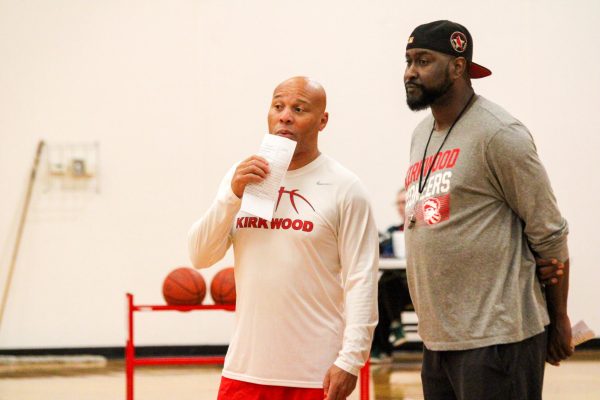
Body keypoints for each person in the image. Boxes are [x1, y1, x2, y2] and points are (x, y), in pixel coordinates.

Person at [402, 20, 572, 400]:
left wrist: (558, 321)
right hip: (439, 339)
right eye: (408, 60)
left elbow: (550, 232)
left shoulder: (499, 133)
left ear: (458, 66)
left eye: (424, 60)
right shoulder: (421, 134)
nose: (410, 72)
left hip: (496, 338)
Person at [188, 76, 379, 400]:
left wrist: (351, 360)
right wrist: (232, 196)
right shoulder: (242, 177)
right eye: (278, 106)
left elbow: (362, 278)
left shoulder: (345, 187)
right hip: (243, 370)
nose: (285, 116)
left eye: (298, 108)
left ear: (322, 121)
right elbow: (199, 255)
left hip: (314, 374)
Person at [371, 188, 412, 363]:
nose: (402, 207)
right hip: (396, 288)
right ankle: (395, 327)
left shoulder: (423, 229)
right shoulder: (391, 232)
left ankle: (381, 347)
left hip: (417, 285)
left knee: (385, 287)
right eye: (399, 203)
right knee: (384, 287)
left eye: (405, 202)